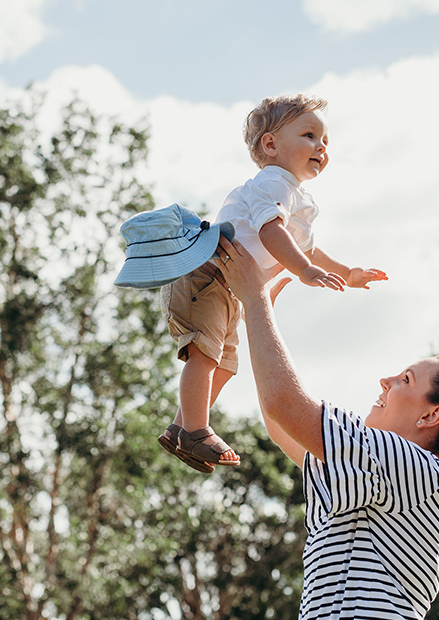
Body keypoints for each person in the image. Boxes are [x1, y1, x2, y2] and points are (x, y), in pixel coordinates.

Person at [215, 236, 439, 619]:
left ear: (430, 416)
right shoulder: (384, 472)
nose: (385, 380)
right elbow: (279, 422)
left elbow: (284, 406)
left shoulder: (414, 466)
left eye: (405, 379)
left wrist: (254, 300)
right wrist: (259, 313)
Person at [158, 94, 388, 473]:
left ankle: (182, 426)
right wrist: (302, 270)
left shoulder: (297, 197)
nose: (321, 147)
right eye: (310, 135)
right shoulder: (273, 183)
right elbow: (271, 232)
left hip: (230, 287)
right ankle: (196, 429)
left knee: (226, 364)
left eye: (325, 141)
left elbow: (309, 250)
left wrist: (348, 273)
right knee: (205, 355)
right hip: (207, 275)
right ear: (270, 144)